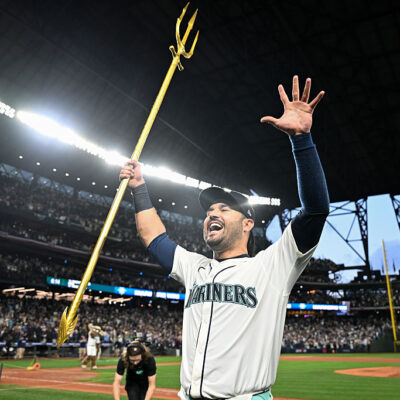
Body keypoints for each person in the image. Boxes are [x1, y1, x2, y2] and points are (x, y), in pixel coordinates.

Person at [120, 76, 329, 400]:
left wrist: (302, 140)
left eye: (224, 209)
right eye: (209, 211)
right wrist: (139, 188)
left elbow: (315, 211)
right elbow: (152, 235)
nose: (212, 214)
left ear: (248, 224)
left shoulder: (273, 266)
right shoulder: (195, 267)